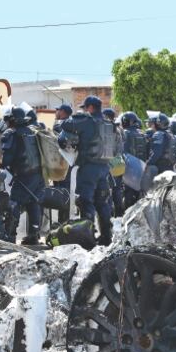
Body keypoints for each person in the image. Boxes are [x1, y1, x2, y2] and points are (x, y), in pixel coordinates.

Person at [59, 96, 116, 246]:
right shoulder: (108, 123)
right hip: (105, 168)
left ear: (90, 107)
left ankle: (88, 237)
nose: (84, 110)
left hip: (89, 168)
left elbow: (65, 124)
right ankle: (106, 237)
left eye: (85, 108)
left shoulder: (86, 121)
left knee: (86, 200)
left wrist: (78, 115)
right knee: (103, 203)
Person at [3, 106, 46, 244]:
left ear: (11, 120)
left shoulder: (12, 134)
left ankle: (10, 237)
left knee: (14, 204)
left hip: (23, 176)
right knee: (33, 203)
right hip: (38, 175)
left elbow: (6, 160)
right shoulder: (32, 132)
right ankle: (33, 235)